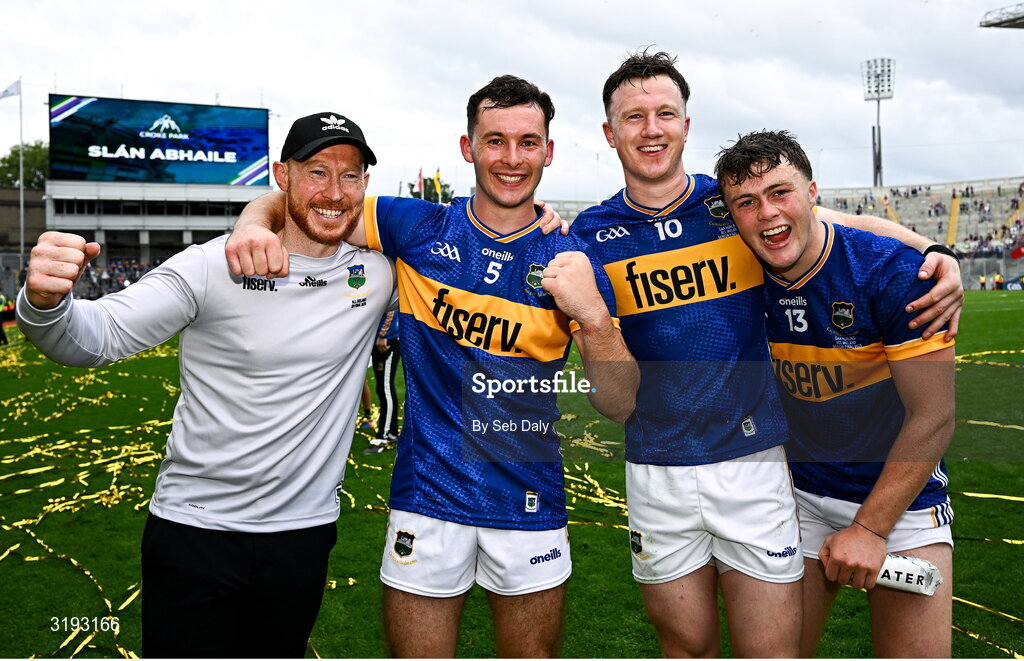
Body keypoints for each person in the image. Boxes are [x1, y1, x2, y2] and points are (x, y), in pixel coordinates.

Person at [567, 50, 963, 657]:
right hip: (701, 471)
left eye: (665, 113)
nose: (651, 130)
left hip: (775, 470)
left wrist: (936, 252)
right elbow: (612, 395)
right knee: (697, 644)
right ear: (609, 132)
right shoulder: (597, 233)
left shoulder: (731, 204)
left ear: (686, 125)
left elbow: (835, 222)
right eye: (634, 117)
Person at [225, 75, 638, 658]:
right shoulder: (418, 227)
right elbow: (309, 201)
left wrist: (593, 317)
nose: (512, 158)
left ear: (548, 152)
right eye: (495, 141)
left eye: (527, 142)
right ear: (468, 147)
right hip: (427, 496)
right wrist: (250, 223)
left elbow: (619, 404)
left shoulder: (572, 256)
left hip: (529, 499)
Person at [17, 112, 396, 658]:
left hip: (304, 536)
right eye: (317, 171)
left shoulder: (378, 272)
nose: (335, 191)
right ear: (282, 176)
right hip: (194, 531)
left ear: (365, 183)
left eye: (350, 175)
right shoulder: (210, 266)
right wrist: (45, 303)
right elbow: (94, 338)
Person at [716, 129, 955, 657]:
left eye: (780, 192)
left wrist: (870, 528)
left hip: (902, 502)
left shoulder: (894, 274)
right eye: (746, 203)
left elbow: (934, 416)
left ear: (812, 193)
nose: (767, 214)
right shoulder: (737, 270)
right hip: (797, 498)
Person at [367, 310, 401, 451]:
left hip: (387, 341)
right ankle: (392, 432)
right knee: (382, 388)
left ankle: (384, 436)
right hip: (379, 339)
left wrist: (383, 335)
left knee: (385, 388)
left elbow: (392, 308)